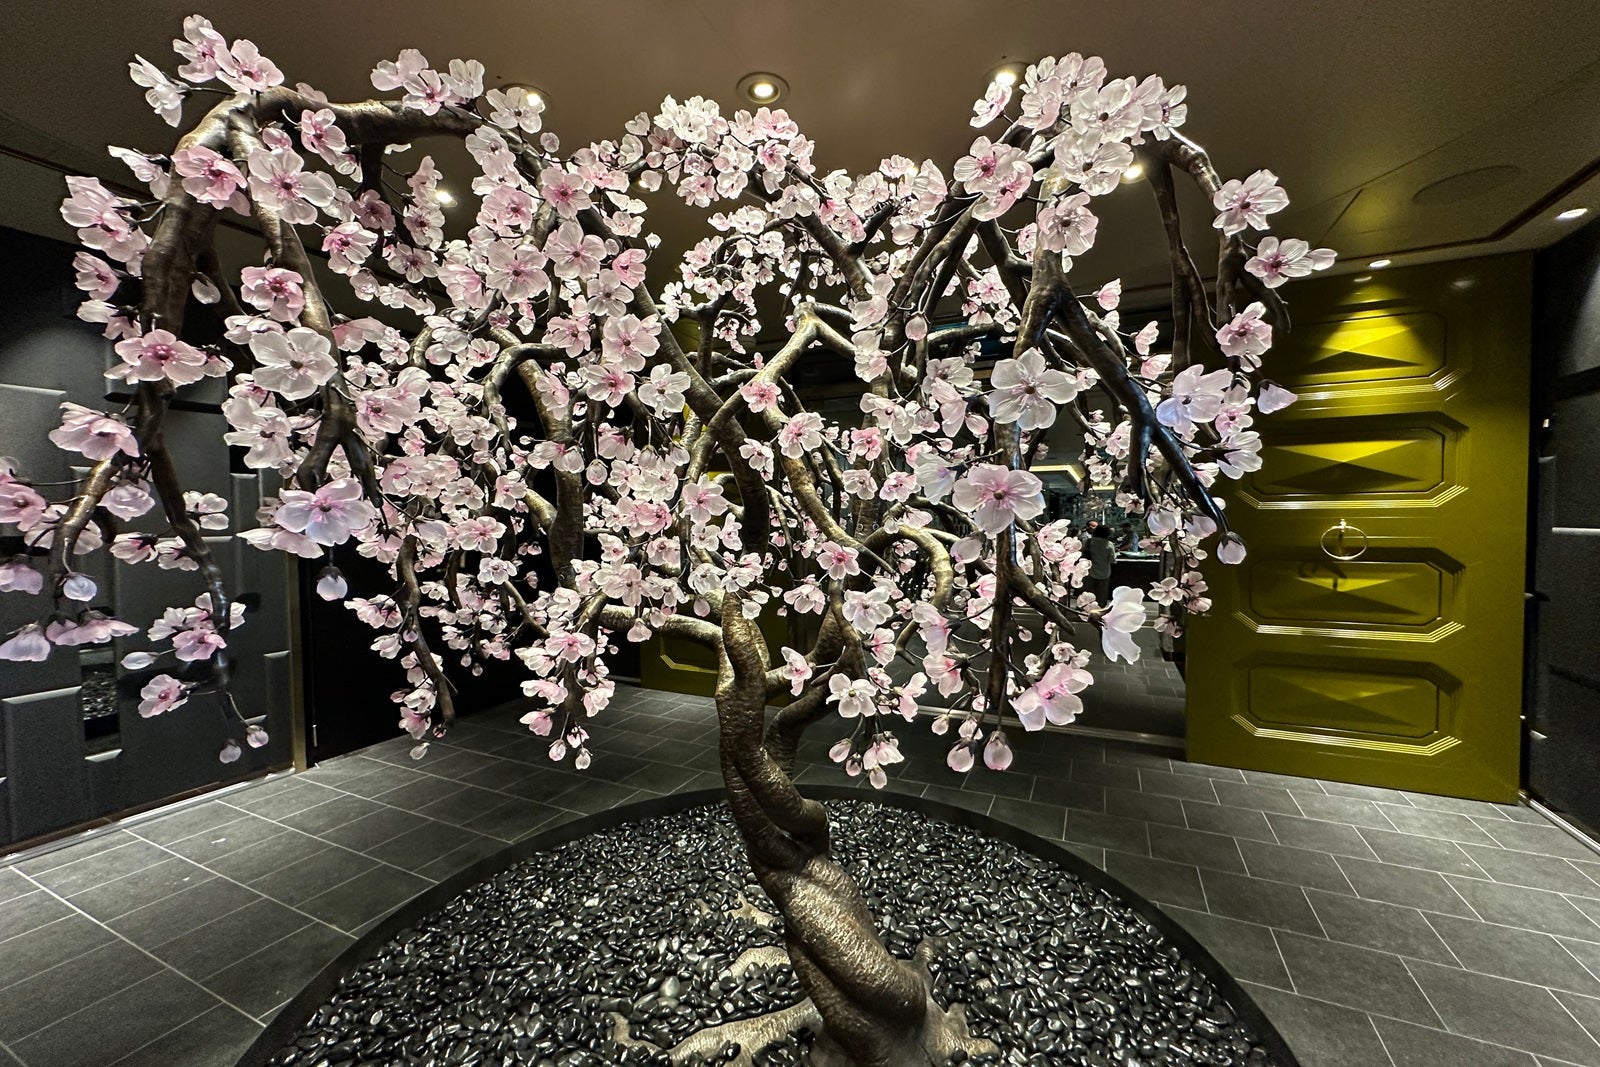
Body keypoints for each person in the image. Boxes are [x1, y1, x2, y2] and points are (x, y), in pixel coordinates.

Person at [1085, 524, 1115, 604]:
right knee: (1102, 593)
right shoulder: (1109, 544)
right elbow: (1112, 560)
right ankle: (1100, 608)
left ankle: (1088, 608)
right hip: (1105, 573)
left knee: (1090, 593)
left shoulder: (1089, 542)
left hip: (1090, 571)